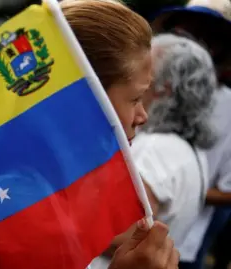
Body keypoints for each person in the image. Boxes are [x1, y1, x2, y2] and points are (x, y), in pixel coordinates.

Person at [59, 1, 179, 268]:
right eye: (135, 98)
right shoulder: (19, 207)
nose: (142, 116)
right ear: (86, 98)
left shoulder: (60, 187)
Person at [150, 1, 231, 268]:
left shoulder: (159, 147)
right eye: (178, 31)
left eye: (197, 35)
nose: (182, 41)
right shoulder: (148, 94)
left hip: (180, 244)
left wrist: (176, 187)